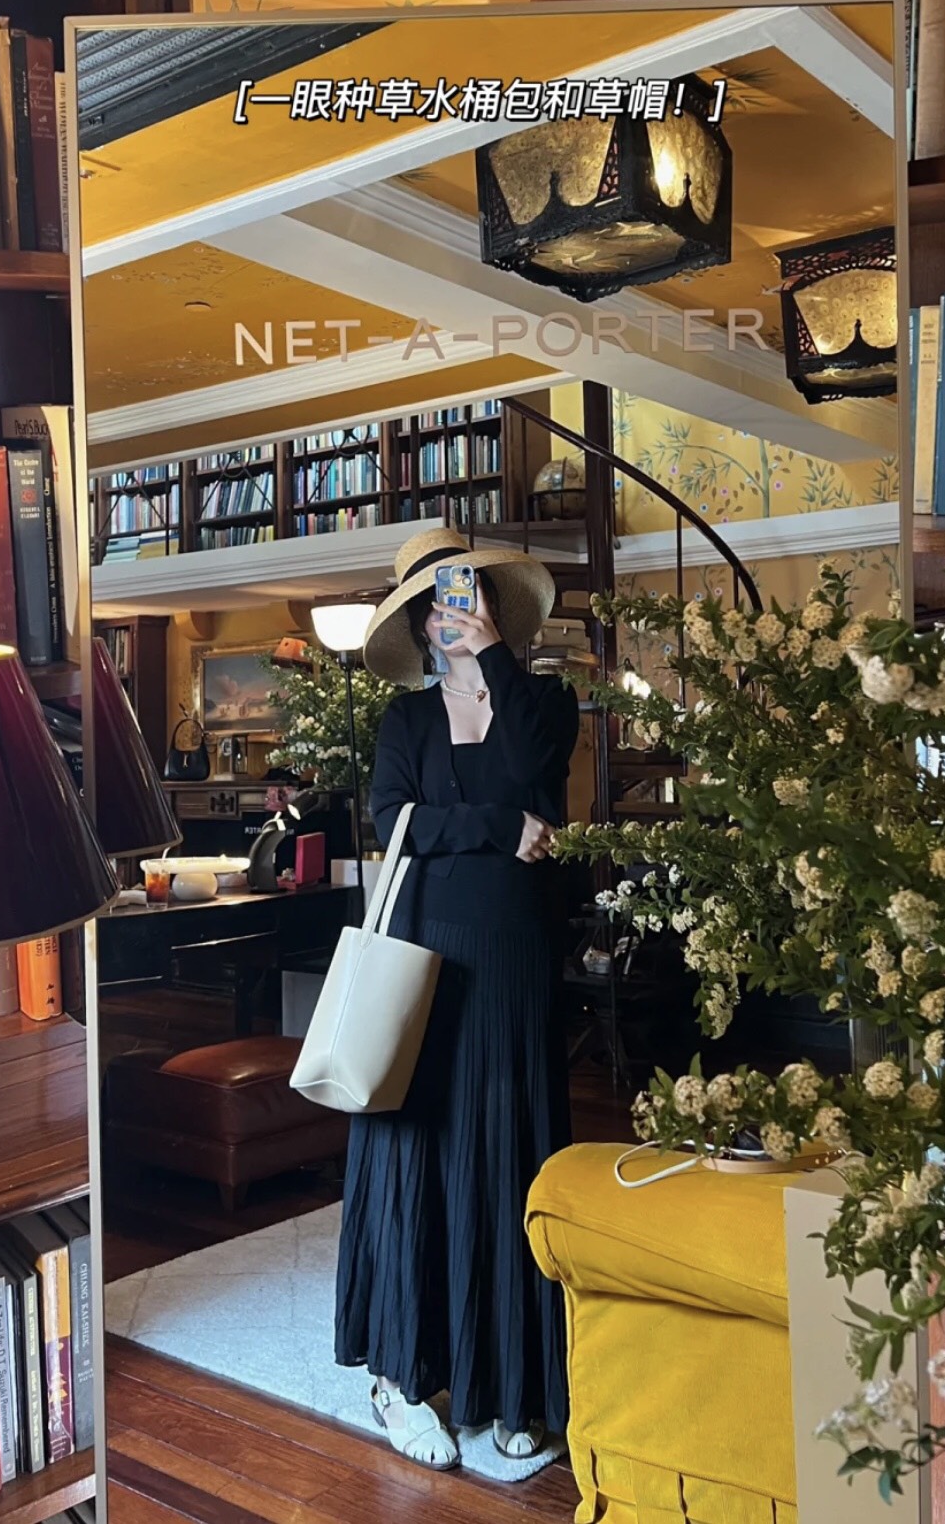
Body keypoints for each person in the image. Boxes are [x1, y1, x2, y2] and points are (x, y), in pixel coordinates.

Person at [334, 527, 581, 1471]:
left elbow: (540, 783)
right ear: (415, 624)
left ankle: (514, 1384)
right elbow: (395, 820)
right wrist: (494, 823)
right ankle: (401, 1378)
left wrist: (495, 661)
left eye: (465, 596)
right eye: (435, 604)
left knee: (510, 1155)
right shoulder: (405, 722)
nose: (452, 615)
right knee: (420, 1159)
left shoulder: (541, 700)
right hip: (425, 959)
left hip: (516, 958)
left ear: (491, 607)